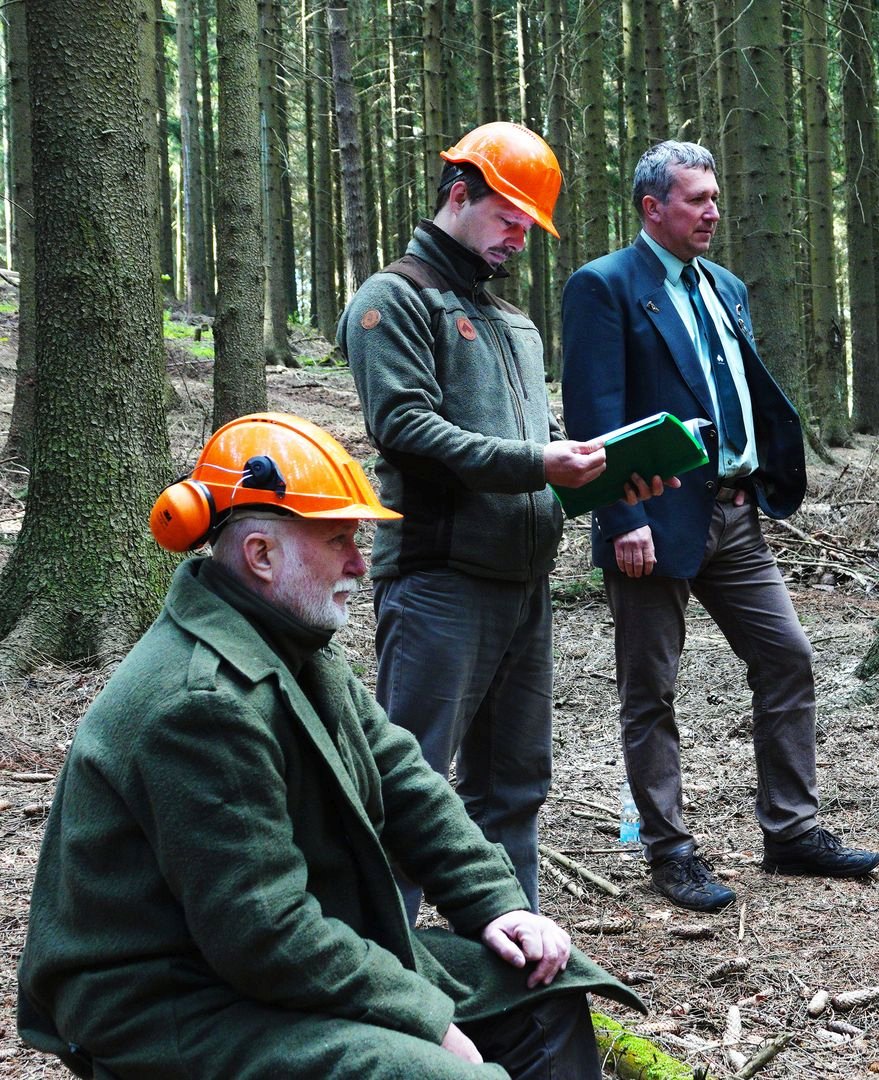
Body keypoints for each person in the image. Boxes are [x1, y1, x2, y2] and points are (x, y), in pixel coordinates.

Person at [16, 413, 640, 1079]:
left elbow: (404, 779)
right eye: (339, 538)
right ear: (261, 555)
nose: (359, 563)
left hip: (259, 961)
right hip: (166, 1002)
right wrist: (425, 1018)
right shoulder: (203, 704)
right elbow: (265, 933)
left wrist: (497, 903)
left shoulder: (290, 641)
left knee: (545, 994)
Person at [338, 121, 669, 918]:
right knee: (411, 783)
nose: (519, 239)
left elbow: (540, 448)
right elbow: (405, 429)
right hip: (440, 580)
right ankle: (382, 960)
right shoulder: (394, 298)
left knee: (515, 786)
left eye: (529, 227)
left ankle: (511, 954)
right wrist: (539, 464)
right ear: (459, 195)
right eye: (509, 219)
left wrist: (610, 477)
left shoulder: (512, 322)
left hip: (524, 585)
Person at [560, 140, 879, 913]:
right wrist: (622, 516)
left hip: (736, 514)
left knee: (787, 658)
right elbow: (594, 411)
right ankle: (669, 852)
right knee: (651, 689)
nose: (712, 211)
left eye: (714, 197)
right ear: (652, 208)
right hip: (651, 519)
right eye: (696, 199)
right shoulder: (604, 286)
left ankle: (791, 831)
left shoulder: (726, 287)